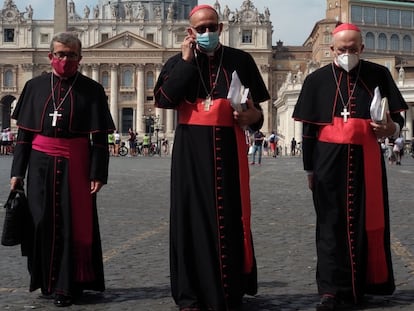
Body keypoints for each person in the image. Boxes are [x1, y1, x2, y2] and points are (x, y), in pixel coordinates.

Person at [154, 4, 270, 310]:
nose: (208, 33)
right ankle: (190, 295)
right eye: (201, 29)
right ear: (190, 33)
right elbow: (165, 99)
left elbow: (257, 113)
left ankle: (231, 289)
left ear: (220, 28)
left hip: (229, 151)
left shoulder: (240, 60)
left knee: (231, 214)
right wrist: (186, 62)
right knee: (190, 217)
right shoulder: (177, 62)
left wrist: (251, 117)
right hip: (190, 152)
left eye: (212, 27)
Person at [292, 23, 408, 311]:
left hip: (366, 158)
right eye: (342, 49)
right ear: (332, 49)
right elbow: (308, 131)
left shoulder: (378, 75)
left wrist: (391, 127)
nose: (347, 53)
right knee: (330, 225)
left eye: (353, 49)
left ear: (362, 49)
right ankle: (331, 290)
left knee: (366, 221)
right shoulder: (316, 80)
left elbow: (397, 119)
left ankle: (367, 282)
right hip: (327, 162)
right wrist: (309, 170)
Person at [9, 32, 115, 307]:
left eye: (71, 55)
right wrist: (17, 172)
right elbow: (24, 135)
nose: (65, 60)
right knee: (40, 221)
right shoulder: (34, 86)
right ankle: (46, 280)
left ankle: (68, 285)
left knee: (71, 223)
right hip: (39, 163)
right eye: (60, 54)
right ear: (50, 56)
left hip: (76, 162)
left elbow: (100, 138)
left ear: (80, 58)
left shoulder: (92, 89)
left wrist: (98, 173)